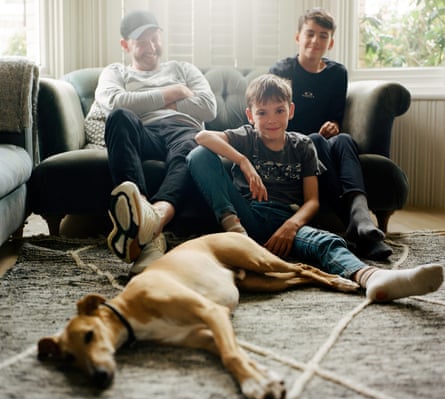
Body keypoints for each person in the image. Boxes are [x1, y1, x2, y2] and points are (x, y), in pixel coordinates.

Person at [185, 73, 443, 302]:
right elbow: (202, 137)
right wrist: (243, 162)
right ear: (251, 115)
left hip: (285, 219)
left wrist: (291, 226)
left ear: (291, 110)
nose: (271, 119)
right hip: (245, 216)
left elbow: (312, 201)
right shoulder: (247, 136)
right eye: (262, 113)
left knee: (325, 242)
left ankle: (372, 278)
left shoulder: (302, 146)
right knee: (199, 155)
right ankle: (237, 237)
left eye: (279, 110)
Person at [95, 10, 217, 275]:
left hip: (182, 129)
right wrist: (172, 93)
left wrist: (142, 99)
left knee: (193, 145)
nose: (151, 47)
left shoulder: (183, 68)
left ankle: (153, 222)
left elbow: (208, 108)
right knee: (119, 117)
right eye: (142, 41)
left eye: (155, 38)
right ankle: (138, 206)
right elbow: (114, 102)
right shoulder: (115, 72)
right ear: (125, 45)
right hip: (143, 131)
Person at [269, 7, 391, 260]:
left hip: (325, 142)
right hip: (295, 144)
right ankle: (359, 227)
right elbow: (275, 117)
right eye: (310, 34)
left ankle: (359, 214)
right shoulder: (282, 70)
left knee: (344, 138)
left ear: (331, 42)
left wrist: (334, 125)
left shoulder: (337, 73)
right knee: (314, 140)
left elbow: (336, 116)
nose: (315, 41)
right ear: (298, 37)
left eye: (323, 36)